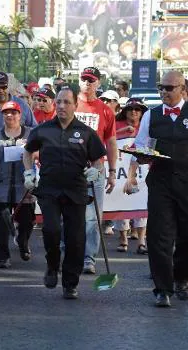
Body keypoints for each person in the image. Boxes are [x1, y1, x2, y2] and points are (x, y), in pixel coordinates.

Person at [133, 71, 188, 307]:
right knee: (159, 236)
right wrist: (141, 156)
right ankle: (163, 288)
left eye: (170, 88)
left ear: (183, 90)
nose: (164, 92)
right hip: (161, 182)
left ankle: (182, 275)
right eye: (161, 87)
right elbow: (141, 145)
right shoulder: (151, 115)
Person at [23, 87, 107, 299]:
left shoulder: (86, 132)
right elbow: (27, 151)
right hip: (49, 189)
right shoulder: (43, 130)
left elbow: (98, 160)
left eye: (66, 102)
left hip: (76, 190)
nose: (61, 106)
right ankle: (52, 266)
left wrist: (95, 172)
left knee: (75, 239)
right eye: (58, 102)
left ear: (74, 105)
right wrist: (28, 173)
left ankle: (71, 283)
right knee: (51, 231)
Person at [75, 66, 117, 275]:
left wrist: (111, 171)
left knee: (93, 217)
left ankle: (89, 258)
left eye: (91, 80)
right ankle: (69, 252)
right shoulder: (69, 103)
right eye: (84, 79)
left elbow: (110, 141)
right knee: (69, 213)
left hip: (95, 168)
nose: (87, 83)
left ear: (98, 83)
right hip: (70, 168)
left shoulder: (105, 110)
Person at [0, 101, 35, 268]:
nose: (10, 116)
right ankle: (3, 255)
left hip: (24, 186)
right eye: (6, 113)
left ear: (20, 114)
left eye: (14, 112)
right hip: (0, 185)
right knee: (0, 224)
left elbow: (40, 153)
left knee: (26, 221)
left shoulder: (31, 134)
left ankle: (23, 244)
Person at [115, 100, 149, 254]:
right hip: (120, 170)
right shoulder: (116, 124)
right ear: (125, 111)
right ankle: (123, 239)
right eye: (130, 109)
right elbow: (105, 139)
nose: (134, 112)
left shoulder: (146, 126)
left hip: (141, 171)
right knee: (120, 204)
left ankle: (141, 241)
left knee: (141, 204)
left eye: (137, 109)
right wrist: (123, 132)